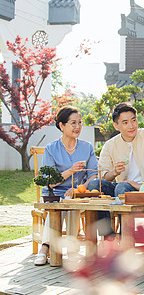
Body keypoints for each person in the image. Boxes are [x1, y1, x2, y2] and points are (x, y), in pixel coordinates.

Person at [34, 106, 98, 266]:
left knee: (71, 201)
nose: (78, 127)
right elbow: (49, 181)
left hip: (80, 195)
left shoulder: (87, 147)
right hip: (54, 194)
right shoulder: (51, 149)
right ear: (62, 126)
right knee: (61, 204)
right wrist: (70, 171)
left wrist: (79, 189)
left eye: (80, 123)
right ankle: (47, 247)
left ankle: (65, 249)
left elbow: (94, 176)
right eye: (73, 123)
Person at [87, 102, 144, 234]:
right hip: (123, 187)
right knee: (95, 184)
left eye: (134, 120)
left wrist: (140, 185)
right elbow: (103, 175)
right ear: (116, 126)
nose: (131, 126)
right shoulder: (110, 145)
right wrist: (115, 172)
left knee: (122, 188)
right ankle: (107, 235)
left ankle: (125, 236)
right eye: (125, 122)